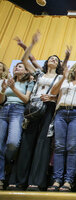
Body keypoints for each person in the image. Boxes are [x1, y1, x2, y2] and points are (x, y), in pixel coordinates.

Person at [7, 31, 70, 191]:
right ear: (47, 62)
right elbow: (24, 60)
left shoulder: (60, 78)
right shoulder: (38, 74)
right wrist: (31, 45)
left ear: (59, 65)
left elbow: (57, 94)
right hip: (33, 108)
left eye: (56, 59)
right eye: (51, 58)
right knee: (27, 142)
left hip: (48, 110)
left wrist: (51, 98)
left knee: (42, 145)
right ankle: (19, 180)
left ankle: (35, 181)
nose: (53, 60)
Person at [47, 61, 76, 192]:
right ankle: (57, 179)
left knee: (72, 147)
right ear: (74, 69)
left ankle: (68, 181)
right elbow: (53, 92)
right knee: (59, 147)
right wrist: (63, 77)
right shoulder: (65, 81)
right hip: (61, 113)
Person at [0, 62, 34, 190]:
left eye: (20, 66)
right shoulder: (7, 81)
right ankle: (1, 179)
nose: (16, 68)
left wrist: (13, 88)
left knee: (12, 143)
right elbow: (1, 100)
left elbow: (26, 99)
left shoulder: (29, 82)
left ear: (26, 71)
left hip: (18, 111)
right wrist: (3, 89)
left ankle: (9, 164)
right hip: (4, 110)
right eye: (15, 66)